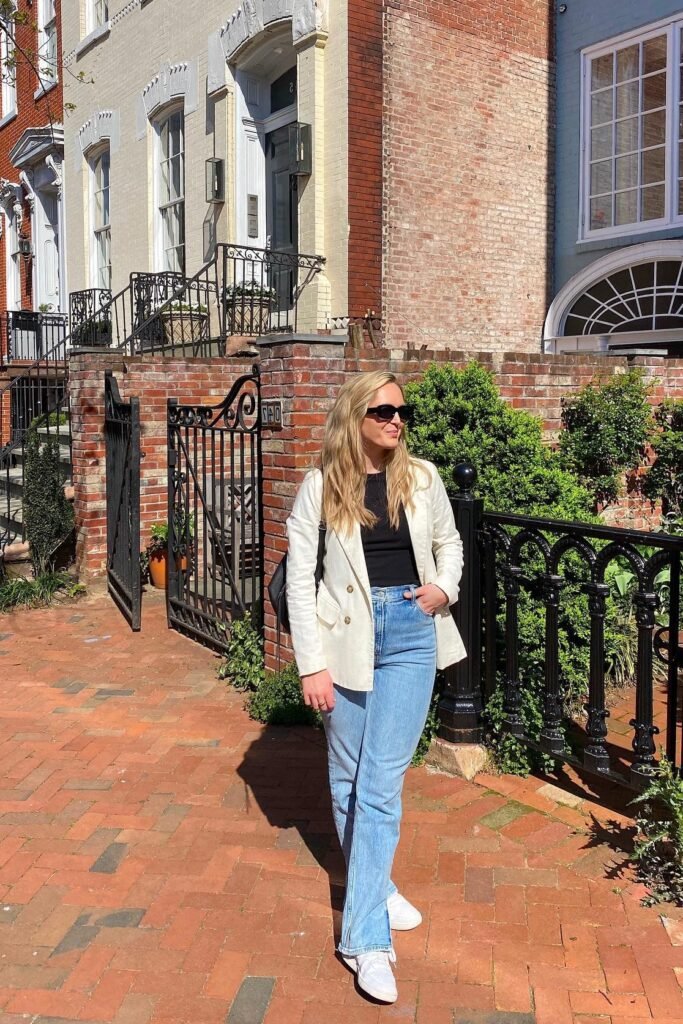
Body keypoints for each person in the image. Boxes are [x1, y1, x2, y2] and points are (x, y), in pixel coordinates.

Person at [285, 370, 466, 1004]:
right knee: (347, 779)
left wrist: (443, 588)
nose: (396, 419)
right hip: (345, 643)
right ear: (355, 415)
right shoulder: (319, 489)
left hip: (412, 629)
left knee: (381, 782)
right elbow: (299, 584)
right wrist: (311, 664)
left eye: (400, 410)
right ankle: (378, 885)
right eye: (383, 409)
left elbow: (449, 543)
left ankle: (364, 938)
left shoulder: (422, 478)